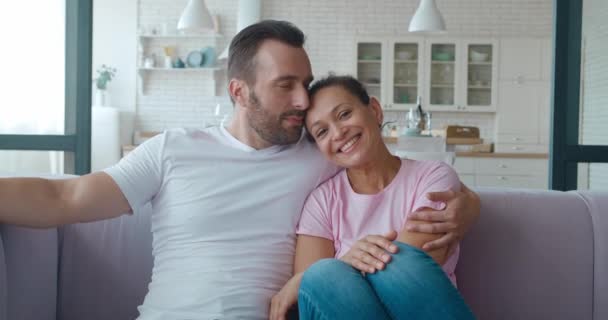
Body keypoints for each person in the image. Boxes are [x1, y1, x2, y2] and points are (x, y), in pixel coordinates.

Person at [0, 21, 479, 319]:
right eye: (285, 86)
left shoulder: (318, 153)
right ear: (239, 92)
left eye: (305, 84)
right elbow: (64, 198)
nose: (302, 101)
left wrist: (469, 204)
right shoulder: (171, 150)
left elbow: (392, 172)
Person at [269, 75, 475, 320]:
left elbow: (414, 265)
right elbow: (313, 292)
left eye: (344, 114)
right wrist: (345, 261)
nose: (338, 133)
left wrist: (345, 267)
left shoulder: (432, 176)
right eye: (322, 131)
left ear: (375, 111)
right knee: (324, 275)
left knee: (398, 265)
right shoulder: (322, 201)